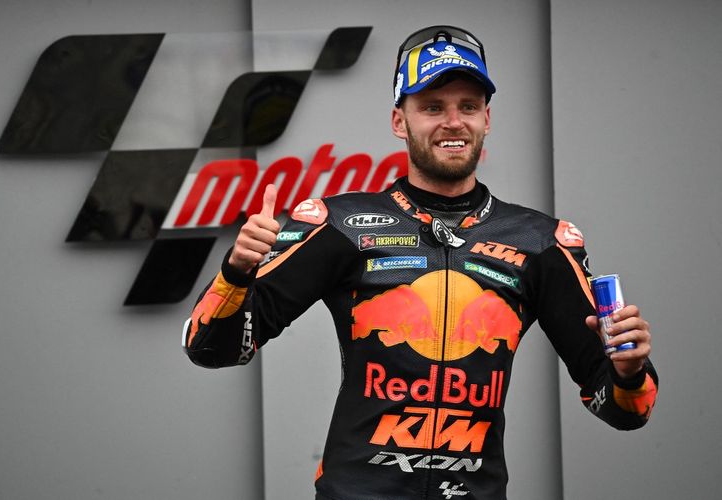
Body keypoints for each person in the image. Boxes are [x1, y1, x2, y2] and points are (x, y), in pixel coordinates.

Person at [183, 25, 658, 500]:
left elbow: (626, 411)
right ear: (398, 120)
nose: (453, 122)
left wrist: (629, 371)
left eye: (468, 107)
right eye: (432, 107)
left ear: (487, 119)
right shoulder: (339, 224)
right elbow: (211, 349)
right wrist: (236, 272)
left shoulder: (540, 241)